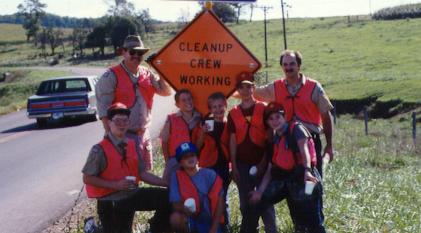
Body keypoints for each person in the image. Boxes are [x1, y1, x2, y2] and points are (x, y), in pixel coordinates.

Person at [82, 103, 172, 233]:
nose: (122, 124)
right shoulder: (99, 149)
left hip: (131, 195)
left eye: (125, 121)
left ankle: (154, 229)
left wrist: (166, 183)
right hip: (110, 200)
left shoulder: (132, 145)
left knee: (170, 197)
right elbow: (87, 178)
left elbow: (142, 173)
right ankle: (93, 229)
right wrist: (115, 185)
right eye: (117, 120)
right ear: (109, 123)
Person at [95, 35, 172, 171]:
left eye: (140, 53)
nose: (136, 56)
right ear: (124, 52)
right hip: (123, 136)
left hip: (143, 134)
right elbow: (103, 111)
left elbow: (166, 92)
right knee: (127, 177)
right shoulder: (111, 76)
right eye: (132, 52)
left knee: (146, 174)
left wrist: (159, 69)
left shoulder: (147, 73)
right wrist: (112, 139)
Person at [253, 50, 334, 177]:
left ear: (299, 65)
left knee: (313, 183)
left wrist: (329, 146)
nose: (288, 68)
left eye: (292, 64)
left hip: (310, 141)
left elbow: (326, 116)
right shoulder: (275, 87)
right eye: (285, 65)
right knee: (287, 183)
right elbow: (252, 93)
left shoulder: (314, 87)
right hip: (285, 144)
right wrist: (233, 87)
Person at [248, 102, 326, 233]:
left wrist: (307, 171)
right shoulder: (275, 139)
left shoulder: (296, 129)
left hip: (307, 178)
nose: (274, 121)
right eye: (270, 119)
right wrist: (260, 191)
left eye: (277, 117)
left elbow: (304, 151)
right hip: (289, 180)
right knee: (296, 219)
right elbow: (270, 169)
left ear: (284, 117)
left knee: (312, 219)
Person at [228, 73, 277, 233]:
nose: (245, 90)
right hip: (242, 163)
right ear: (237, 90)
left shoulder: (264, 108)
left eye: (249, 86)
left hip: (262, 161)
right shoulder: (233, 113)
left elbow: (270, 138)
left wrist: (264, 162)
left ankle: (271, 230)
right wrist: (234, 166)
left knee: (266, 201)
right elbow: (233, 141)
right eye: (242, 87)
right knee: (245, 202)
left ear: (253, 88)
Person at [193, 92, 231, 230]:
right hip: (208, 166)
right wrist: (202, 132)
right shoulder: (205, 124)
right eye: (214, 107)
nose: (218, 109)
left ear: (226, 106)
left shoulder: (229, 123)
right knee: (208, 197)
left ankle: (224, 225)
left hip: (224, 166)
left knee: (223, 197)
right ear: (210, 109)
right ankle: (208, 226)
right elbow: (197, 146)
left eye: (220, 106)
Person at [169, 142, 225, 233]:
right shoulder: (176, 177)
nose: (190, 158)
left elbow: (220, 202)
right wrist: (185, 209)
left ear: (197, 157)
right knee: (175, 218)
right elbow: (175, 203)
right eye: (186, 157)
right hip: (191, 218)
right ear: (180, 162)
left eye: (192, 155)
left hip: (211, 220)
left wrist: (214, 229)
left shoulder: (210, 174)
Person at [160, 89, 201, 182]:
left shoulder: (199, 118)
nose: (188, 102)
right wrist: (168, 162)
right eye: (183, 100)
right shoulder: (171, 119)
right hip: (175, 160)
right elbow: (164, 142)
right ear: (177, 104)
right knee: (171, 189)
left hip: (193, 160)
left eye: (189, 99)